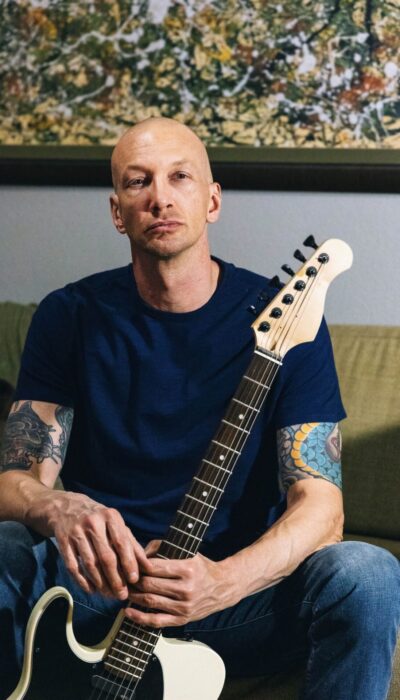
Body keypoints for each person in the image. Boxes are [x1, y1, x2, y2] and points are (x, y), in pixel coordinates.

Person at [0, 117, 399, 700]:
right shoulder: (70, 315)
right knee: (7, 545)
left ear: (211, 201)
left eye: (179, 177)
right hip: (99, 589)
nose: (160, 196)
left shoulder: (289, 321)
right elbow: (17, 479)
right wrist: (58, 508)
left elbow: (322, 508)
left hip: (236, 597)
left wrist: (222, 582)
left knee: (367, 573)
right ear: (118, 212)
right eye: (138, 182)